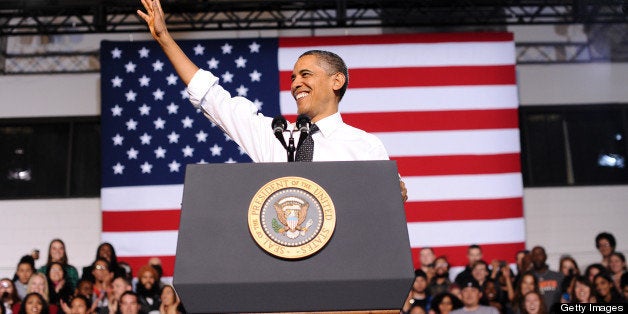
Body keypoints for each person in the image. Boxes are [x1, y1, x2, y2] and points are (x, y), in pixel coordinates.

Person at [136, 0, 409, 201]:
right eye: (292, 78)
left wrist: (394, 192)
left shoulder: (364, 145)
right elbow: (212, 98)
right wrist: (164, 39)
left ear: (336, 81)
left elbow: (388, 203)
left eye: (305, 75)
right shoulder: (274, 137)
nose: (296, 84)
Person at [529, 246, 563, 311]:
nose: (537, 258)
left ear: (545, 256)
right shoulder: (527, 278)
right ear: (531, 258)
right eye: (534, 255)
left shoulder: (558, 276)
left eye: (539, 254)